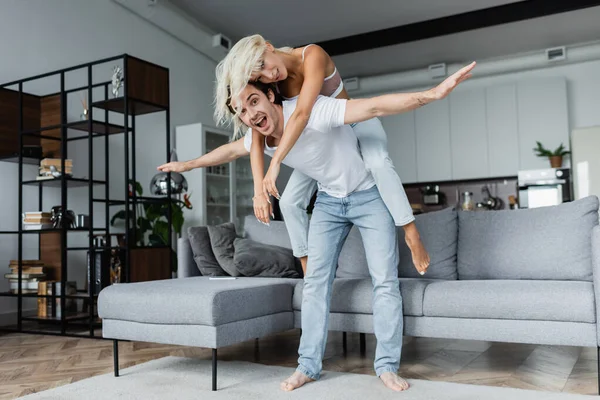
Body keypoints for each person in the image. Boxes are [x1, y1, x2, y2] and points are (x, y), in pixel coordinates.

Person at [159, 62, 475, 392]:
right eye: (242, 111)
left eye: (253, 101)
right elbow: (227, 151)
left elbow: (374, 106)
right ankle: (308, 365)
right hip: (328, 203)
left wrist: (433, 94)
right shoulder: (263, 140)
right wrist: (188, 165)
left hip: (369, 197)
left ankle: (386, 366)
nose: (250, 114)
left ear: (270, 95)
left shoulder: (313, 111)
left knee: (385, 281)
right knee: (315, 284)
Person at [212, 34, 430, 276]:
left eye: (263, 65)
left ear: (268, 47)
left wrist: (274, 163)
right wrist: (257, 190)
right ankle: (306, 264)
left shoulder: (311, 55)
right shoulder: (272, 85)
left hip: (354, 123)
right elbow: (256, 135)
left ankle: (411, 232)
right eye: (259, 76)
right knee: (288, 202)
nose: (269, 75)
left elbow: (303, 113)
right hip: (325, 140)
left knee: (378, 163)